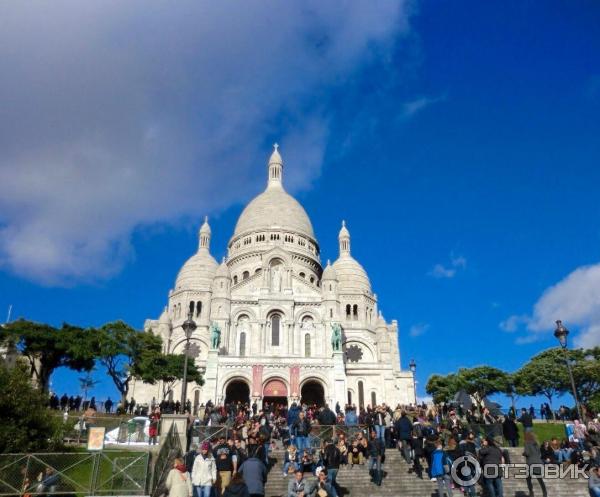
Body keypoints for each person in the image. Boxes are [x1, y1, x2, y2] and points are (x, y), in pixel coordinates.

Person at [523, 432, 548, 497]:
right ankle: (545, 493)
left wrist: (524, 453)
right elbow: (539, 453)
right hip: (539, 462)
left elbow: (527, 453)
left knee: (528, 478)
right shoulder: (536, 444)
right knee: (540, 479)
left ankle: (531, 493)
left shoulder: (526, 443)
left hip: (531, 463)